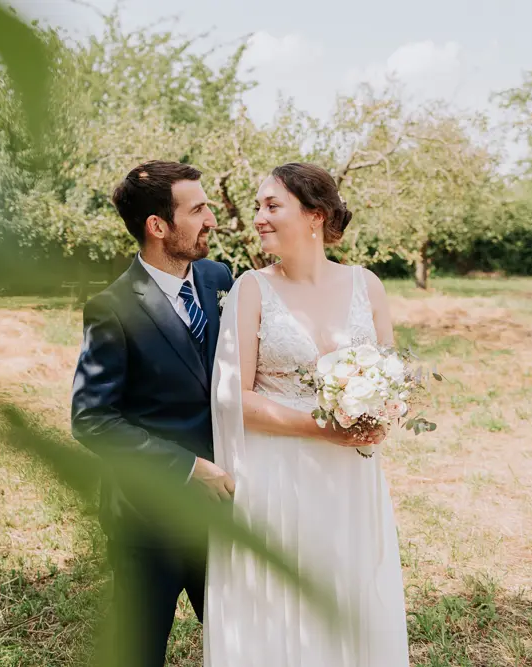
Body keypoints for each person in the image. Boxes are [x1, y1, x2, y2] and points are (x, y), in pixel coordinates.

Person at [204, 162, 410, 666]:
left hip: (350, 475)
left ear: (315, 215)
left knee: (348, 588)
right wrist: (320, 427)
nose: (258, 217)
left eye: (272, 205)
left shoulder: (369, 286)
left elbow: (392, 376)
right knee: (281, 598)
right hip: (276, 474)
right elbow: (234, 396)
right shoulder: (252, 289)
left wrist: (382, 409)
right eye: (257, 206)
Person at [70, 160, 236, 667]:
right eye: (199, 209)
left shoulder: (218, 278)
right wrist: (186, 467)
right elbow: (92, 418)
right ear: (158, 226)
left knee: (239, 647)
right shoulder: (111, 308)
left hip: (228, 513)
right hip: (149, 522)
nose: (212, 219)